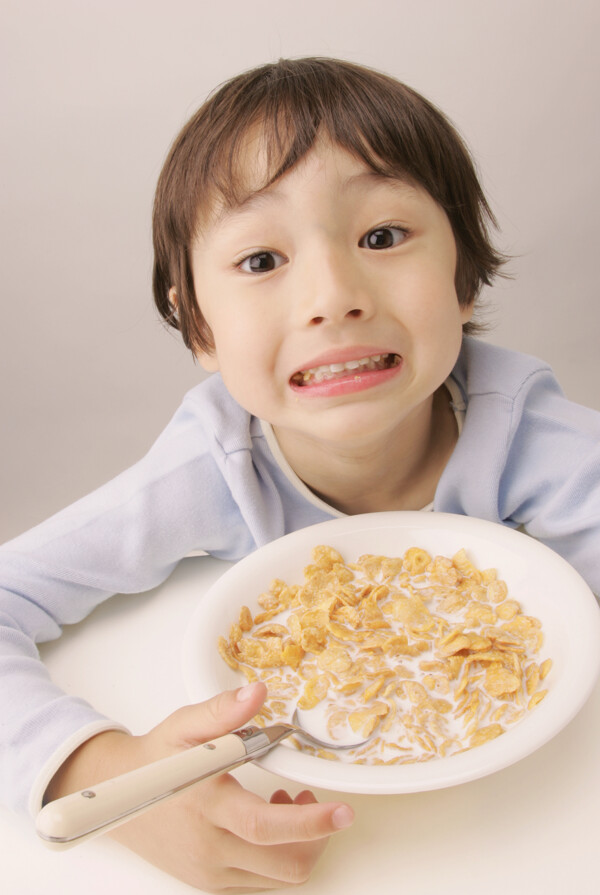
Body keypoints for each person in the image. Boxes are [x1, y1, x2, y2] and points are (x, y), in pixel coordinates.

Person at [1, 56, 599, 891]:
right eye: (260, 261)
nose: (333, 295)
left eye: (381, 237)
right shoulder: (208, 472)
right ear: (198, 326)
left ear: (463, 274)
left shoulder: (536, 440)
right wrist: (102, 772)